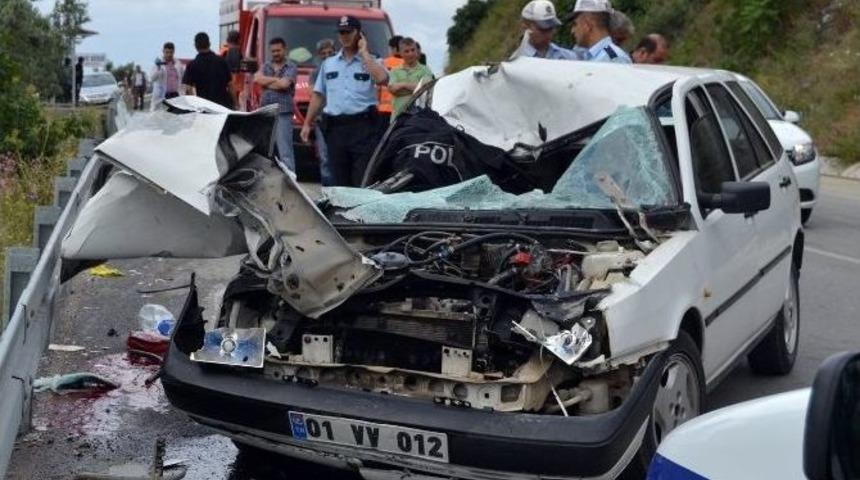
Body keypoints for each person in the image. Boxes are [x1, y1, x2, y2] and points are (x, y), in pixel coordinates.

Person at [299, 15, 389, 187]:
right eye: (341, 32)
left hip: (363, 127)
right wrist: (307, 124)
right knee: (338, 180)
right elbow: (318, 95)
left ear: (359, 34)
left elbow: (382, 79)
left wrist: (364, 54)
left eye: (349, 32)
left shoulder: (372, 61)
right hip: (336, 129)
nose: (345, 36)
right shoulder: (329, 64)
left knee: (361, 180)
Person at [255, 37, 299, 171]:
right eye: (273, 51)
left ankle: (290, 179)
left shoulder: (291, 66)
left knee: (285, 151)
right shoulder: (266, 65)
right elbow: (257, 79)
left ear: (285, 50)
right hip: (266, 112)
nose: (275, 53)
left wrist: (267, 82)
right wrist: (276, 80)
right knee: (265, 150)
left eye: (278, 50)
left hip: (283, 112)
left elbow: (284, 84)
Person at [182, 32, 233, 108]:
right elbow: (230, 85)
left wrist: (195, 106)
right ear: (209, 44)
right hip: (223, 107)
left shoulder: (192, 65)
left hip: (205, 108)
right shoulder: (222, 61)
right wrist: (236, 104)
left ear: (196, 46)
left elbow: (188, 89)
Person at [388, 37, 434, 122]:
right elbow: (392, 90)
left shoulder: (425, 70)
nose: (410, 53)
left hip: (420, 118)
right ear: (400, 53)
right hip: (398, 118)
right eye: (406, 51)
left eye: (413, 50)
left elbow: (425, 88)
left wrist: (402, 85)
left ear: (417, 51)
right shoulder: (394, 71)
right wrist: (416, 88)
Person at [310, 39, 336, 186]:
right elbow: (313, 95)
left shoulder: (341, 69)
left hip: (338, 119)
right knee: (324, 155)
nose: (327, 55)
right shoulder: (315, 73)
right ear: (319, 55)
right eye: (324, 53)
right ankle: (327, 189)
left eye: (330, 52)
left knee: (337, 156)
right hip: (321, 119)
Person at [150, 42, 185, 110]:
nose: (169, 54)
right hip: (163, 96)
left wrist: (183, 92)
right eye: (167, 52)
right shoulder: (158, 64)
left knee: (176, 115)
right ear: (163, 51)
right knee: (162, 115)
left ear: (174, 52)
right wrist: (158, 68)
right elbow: (152, 78)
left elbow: (183, 78)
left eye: (171, 52)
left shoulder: (178, 64)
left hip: (175, 95)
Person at [378, 35, 404, 123]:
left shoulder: (383, 63)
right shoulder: (409, 65)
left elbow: (378, 87)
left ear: (394, 49)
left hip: (383, 110)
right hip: (401, 110)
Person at [221, 30, 244, 108]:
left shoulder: (226, 51)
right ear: (238, 40)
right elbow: (235, 72)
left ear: (228, 40)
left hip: (228, 87)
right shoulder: (235, 51)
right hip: (235, 88)